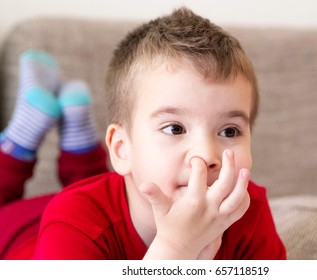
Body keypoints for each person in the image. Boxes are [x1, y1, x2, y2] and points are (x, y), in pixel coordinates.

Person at [7, 7, 286, 260]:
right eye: (175, 128)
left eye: (229, 130)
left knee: (94, 181)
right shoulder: (72, 218)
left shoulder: (248, 210)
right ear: (120, 149)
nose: (206, 155)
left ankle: (78, 145)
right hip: (18, 229)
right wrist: (177, 248)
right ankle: (20, 141)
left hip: (104, 199)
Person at [0, 50, 108, 259]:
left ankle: (22, 141)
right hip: (36, 228)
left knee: (99, 204)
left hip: (23, 230)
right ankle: (20, 142)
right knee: (96, 206)